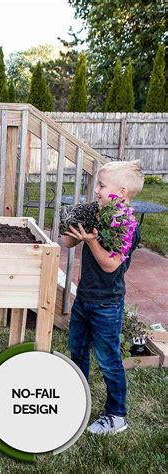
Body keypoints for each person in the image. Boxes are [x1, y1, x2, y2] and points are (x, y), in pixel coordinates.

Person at [63, 160, 144, 435]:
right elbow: (66, 242)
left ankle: (116, 414)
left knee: (108, 359)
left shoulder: (128, 225)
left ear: (121, 191)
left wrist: (92, 241)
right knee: (77, 351)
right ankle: (77, 398)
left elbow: (110, 265)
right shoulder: (97, 213)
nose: (95, 190)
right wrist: (75, 231)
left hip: (107, 304)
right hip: (84, 297)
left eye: (101, 185)